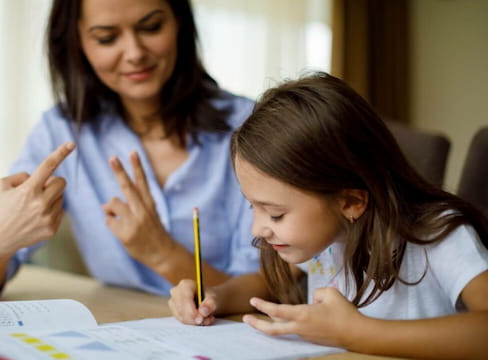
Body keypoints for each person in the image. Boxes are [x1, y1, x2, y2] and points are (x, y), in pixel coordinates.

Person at [168, 72, 488, 359]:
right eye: (253, 207)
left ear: (350, 201)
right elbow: (265, 282)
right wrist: (215, 297)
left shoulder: (439, 233)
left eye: (276, 214)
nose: (258, 228)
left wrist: (357, 334)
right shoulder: (324, 238)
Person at [0, 0, 259, 297]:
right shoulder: (62, 131)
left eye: (151, 27)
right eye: (106, 38)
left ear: (179, 22)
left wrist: (162, 254)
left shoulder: (250, 126)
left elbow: (272, 286)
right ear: (77, 42)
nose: (135, 53)